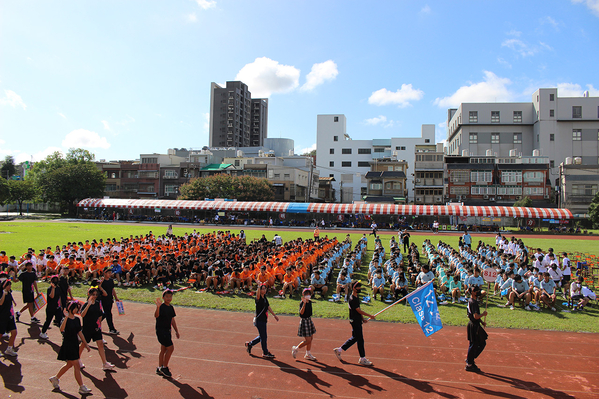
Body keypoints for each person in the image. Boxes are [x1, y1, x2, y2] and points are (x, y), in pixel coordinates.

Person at [49, 301, 92, 395]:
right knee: (76, 365)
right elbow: (61, 329)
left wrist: (86, 344)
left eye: (77, 308)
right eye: (74, 308)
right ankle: (81, 387)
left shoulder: (77, 319)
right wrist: (66, 317)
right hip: (68, 344)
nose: (76, 310)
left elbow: (80, 333)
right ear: (70, 308)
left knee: (69, 364)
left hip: (75, 344)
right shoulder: (65, 319)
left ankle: (55, 378)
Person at [333, 281, 376, 366]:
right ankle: (362, 358)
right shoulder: (352, 299)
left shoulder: (356, 297)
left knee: (355, 338)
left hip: (357, 320)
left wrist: (363, 319)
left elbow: (358, 310)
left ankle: (339, 350)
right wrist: (370, 315)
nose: (359, 288)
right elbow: (358, 310)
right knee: (360, 339)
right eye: (358, 287)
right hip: (355, 321)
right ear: (354, 288)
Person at [79, 287, 115, 371]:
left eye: (96, 295)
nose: (94, 296)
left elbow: (100, 314)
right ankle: (77, 359)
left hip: (96, 328)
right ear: (89, 295)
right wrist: (88, 304)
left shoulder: (97, 303)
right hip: (87, 328)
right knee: (83, 345)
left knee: (100, 344)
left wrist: (99, 324)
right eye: (93, 295)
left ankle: (104, 363)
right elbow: (82, 315)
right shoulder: (85, 304)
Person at [245, 283, 279, 358]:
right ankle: (265, 352)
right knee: (264, 337)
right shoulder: (258, 298)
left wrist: (274, 315)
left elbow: (268, 307)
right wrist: (259, 286)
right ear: (260, 290)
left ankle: (250, 344)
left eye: (265, 288)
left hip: (264, 319)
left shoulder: (265, 298)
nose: (264, 290)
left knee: (262, 336)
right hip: (259, 320)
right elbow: (257, 294)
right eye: (263, 289)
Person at [155, 289, 180, 378]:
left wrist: (176, 331)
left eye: (170, 296)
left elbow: (172, 320)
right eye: (167, 297)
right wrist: (158, 307)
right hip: (161, 331)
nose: (169, 298)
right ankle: (164, 367)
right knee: (170, 348)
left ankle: (159, 367)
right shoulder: (161, 307)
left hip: (167, 331)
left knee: (163, 349)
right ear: (163, 298)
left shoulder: (171, 307)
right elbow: (156, 316)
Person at [466, 286, 487, 372]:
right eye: (476, 291)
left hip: (473, 324)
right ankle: (470, 362)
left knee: (474, 344)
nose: (478, 292)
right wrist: (483, 314)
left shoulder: (471, 301)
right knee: (479, 343)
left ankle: (470, 359)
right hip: (474, 325)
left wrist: (481, 322)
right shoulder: (473, 302)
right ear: (473, 292)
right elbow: (475, 316)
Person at [291, 288, 317, 361]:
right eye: (306, 294)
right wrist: (304, 304)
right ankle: (296, 348)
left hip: (309, 320)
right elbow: (301, 313)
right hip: (304, 321)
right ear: (303, 295)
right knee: (308, 340)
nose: (308, 295)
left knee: (311, 338)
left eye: (309, 294)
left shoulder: (310, 302)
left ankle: (308, 354)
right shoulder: (302, 303)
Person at [40, 275, 63, 339]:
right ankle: (42, 332)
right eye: (54, 280)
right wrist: (53, 288)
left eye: (56, 280)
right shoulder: (49, 289)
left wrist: (60, 305)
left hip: (57, 308)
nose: (56, 281)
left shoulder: (58, 288)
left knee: (60, 321)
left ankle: (63, 333)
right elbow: (52, 296)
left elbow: (59, 297)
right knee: (48, 321)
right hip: (50, 308)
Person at [0, 279, 18, 357]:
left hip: (10, 316)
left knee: (14, 333)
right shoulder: (1, 293)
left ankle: (9, 349)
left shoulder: (9, 292)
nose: (9, 286)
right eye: (8, 285)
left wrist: (13, 301)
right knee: (0, 334)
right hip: (2, 316)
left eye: (10, 285)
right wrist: (4, 293)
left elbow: (10, 298)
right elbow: (0, 303)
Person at [99, 268, 120, 335]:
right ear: (105, 273)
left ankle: (95, 323)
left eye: (110, 273)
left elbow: (112, 289)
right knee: (109, 314)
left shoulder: (111, 280)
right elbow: (98, 288)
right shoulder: (102, 281)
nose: (110, 274)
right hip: (104, 299)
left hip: (110, 299)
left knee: (106, 313)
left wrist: (116, 297)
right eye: (108, 273)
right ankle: (111, 328)